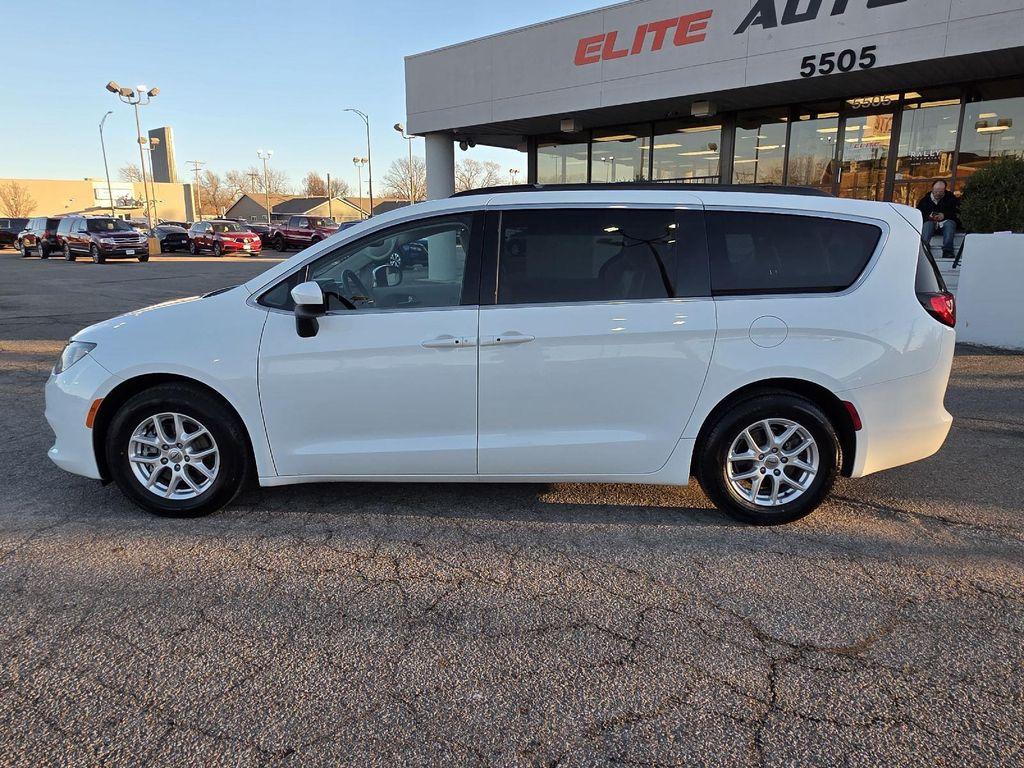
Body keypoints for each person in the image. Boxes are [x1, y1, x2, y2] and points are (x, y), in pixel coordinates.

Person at [917, 180, 960, 259]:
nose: (938, 193)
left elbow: (957, 213)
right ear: (932, 189)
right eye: (936, 191)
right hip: (930, 224)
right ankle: (924, 249)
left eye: (940, 191)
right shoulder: (924, 201)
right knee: (927, 224)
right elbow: (918, 215)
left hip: (945, 224)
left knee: (950, 224)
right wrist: (929, 217)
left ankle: (947, 251)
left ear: (944, 190)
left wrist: (944, 215)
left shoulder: (951, 199)